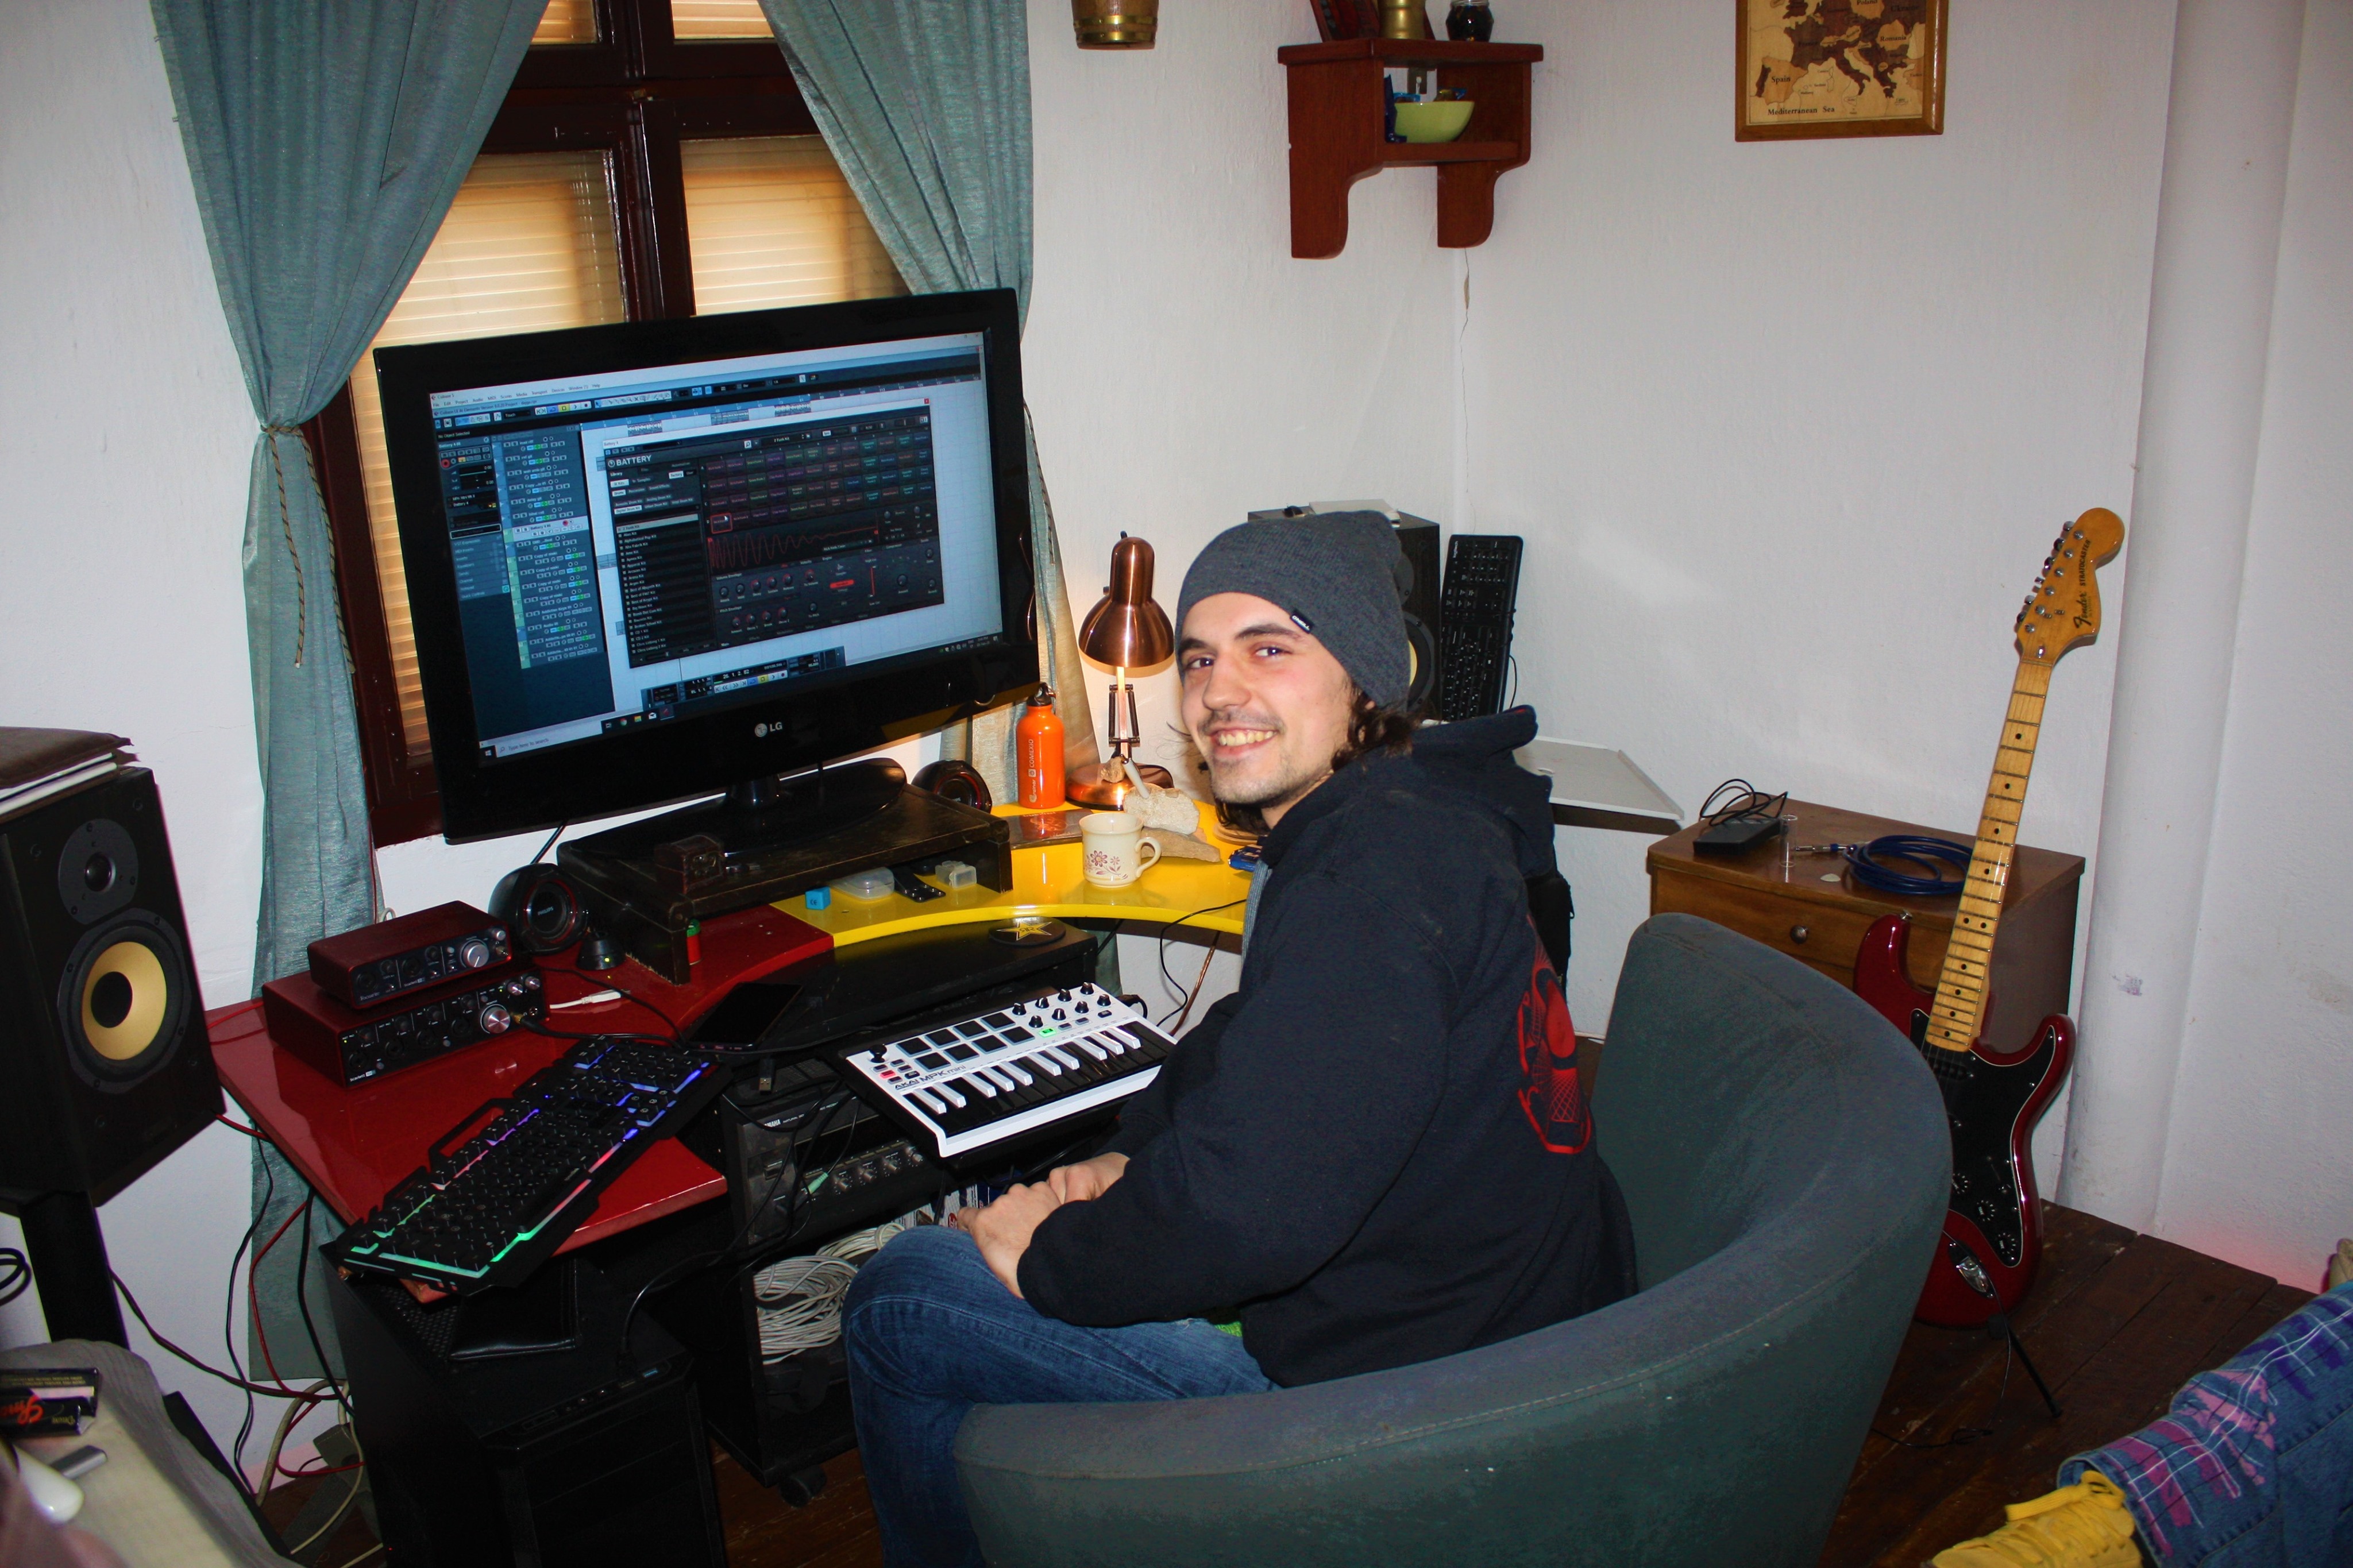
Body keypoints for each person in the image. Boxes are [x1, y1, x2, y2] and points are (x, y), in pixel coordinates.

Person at [840, 512, 1637, 1568]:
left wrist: (1048, 1256)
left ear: (1364, 677)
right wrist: (1123, 1158)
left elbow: (1251, 1219)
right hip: (1511, 1333)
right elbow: (1250, 1033)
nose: (1219, 692)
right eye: (1201, 658)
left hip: (1409, 1412)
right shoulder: (1419, 816)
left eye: (1271, 648)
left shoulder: (1366, 884)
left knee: (902, 1295)